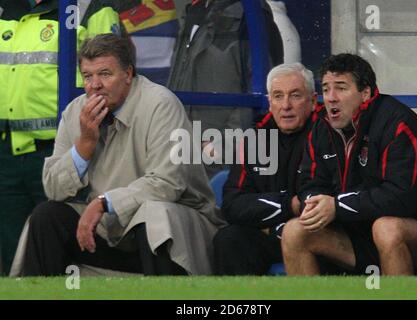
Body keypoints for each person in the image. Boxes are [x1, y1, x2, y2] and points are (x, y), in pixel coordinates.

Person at [19, 34, 224, 276]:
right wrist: (84, 146)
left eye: (105, 74)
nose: (95, 85)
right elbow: (53, 189)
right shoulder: (76, 111)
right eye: (87, 76)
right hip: (113, 230)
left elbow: (168, 183)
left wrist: (104, 202)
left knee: (154, 214)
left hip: (176, 229)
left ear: (128, 74)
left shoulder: (160, 104)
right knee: (47, 216)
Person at [282, 53, 417, 276]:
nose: (330, 98)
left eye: (341, 88)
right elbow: (309, 183)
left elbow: (401, 199)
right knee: (294, 232)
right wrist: (314, 204)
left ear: (365, 93)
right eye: (326, 89)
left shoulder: (398, 125)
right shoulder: (321, 127)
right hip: (357, 229)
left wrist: (337, 207)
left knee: (387, 228)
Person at [0, 0, 121, 275]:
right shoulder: (7, 7)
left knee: (60, 252)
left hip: (64, 150)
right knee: (11, 259)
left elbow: (111, 79)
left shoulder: (89, 7)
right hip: (6, 152)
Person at [213, 62, 316, 275]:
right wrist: (289, 204)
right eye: (278, 96)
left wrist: (270, 219)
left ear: (313, 101)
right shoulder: (255, 139)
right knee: (229, 238)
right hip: (268, 236)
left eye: (295, 95)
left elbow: (317, 200)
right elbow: (233, 204)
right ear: (270, 103)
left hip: (313, 235)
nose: (286, 105)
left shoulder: (327, 135)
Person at [167, 0, 283, 178]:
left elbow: (266, 93)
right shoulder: (194, 12)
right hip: (182, 152)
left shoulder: (250, 13)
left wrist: (219, 148)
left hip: (223, 160)